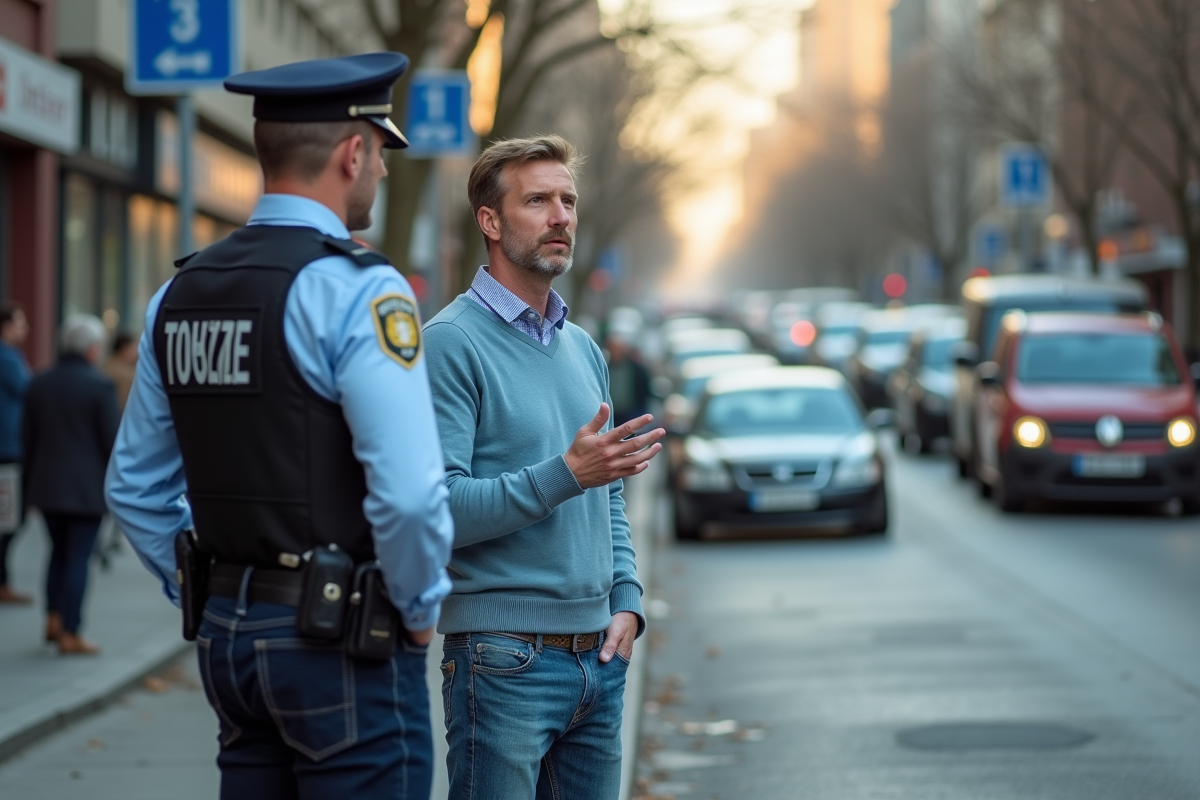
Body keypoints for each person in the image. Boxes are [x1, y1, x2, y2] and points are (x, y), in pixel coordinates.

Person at [104, 52, 454, 800]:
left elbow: (134, 487)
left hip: (230, 643)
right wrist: (421, 609)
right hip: (342, 642)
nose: (384, 174)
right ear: (352, 152)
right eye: (380, 155)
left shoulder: (178, 293)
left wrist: (210, 590)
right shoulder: (355, 288)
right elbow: (411, 495)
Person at [424, 135, 665, 800]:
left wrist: (627, 601)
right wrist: (565, 474)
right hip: (503, 661)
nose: (561, 216)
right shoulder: (450, 343)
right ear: (491, 222)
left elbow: (607, 494)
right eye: (537, 200)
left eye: (567, 200)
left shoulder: (583, 348)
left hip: (600, 659)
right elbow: (435, 509)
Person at [22, 314, 118, 654]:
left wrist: (28, 487)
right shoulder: (99, 385)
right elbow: (111, 442)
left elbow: (28, 439)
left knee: (58, 553)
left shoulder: (39, 381)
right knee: (78, 557)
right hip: (85, 488)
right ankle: (70, 631)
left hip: (46, 485)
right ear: (93, 349)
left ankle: (52, 618)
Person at [0, 302, 31, 604]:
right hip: (7, 450)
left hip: (8, 447)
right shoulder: (8, 358)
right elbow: (28, 390)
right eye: (21, 323)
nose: (26, 329)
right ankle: (2, 582)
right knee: (9, 518)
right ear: (6, 326)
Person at [607, 332, 652, 427]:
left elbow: (644, 390)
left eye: (618, 348)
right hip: (610, 413)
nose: (615, 352)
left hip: (630, 413)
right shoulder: (605, 368)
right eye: (612, 348)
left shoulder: (636, 369)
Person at [102, 330, 138, 414]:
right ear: (125, 348)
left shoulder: (103, 366)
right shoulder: (129, 375)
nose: (136, 352)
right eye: (133, 348)